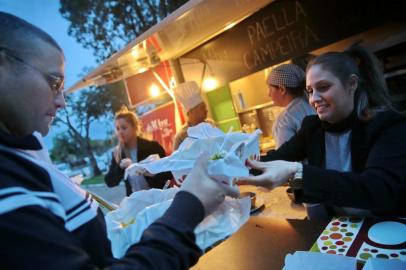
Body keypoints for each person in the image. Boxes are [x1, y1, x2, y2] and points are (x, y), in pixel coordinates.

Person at [0, 12, 239, 269]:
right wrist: (188, 206)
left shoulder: (23, 157)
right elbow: (111, 182)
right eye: (53, 82)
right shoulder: (7, 182)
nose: (61, 101)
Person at [239, 44, 406, 218]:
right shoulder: (313, 128)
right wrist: (231, 166)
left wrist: (297, 172)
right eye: (310, 91)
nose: (314, 99)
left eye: (324, 87)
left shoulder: (388, 125)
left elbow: (376, 189)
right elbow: (278, 157)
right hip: (339, 228)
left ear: (352, 84)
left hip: (385, 229)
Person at [104, 107, 172, 195]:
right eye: (117, 129)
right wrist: (120, 168)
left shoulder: (152, 147)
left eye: (124, 128)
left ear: (135, 127)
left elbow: (169, 173)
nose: (120, 132)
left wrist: (153, 173)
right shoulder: (118, 153)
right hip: (137, 201)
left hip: (159, 197)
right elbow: (110, 182)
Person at [267, 63, 315, 148]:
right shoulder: (313, 103)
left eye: (270, 89)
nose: (269, 94)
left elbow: (285, 159)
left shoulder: (284, 120)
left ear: (282, 89)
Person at [173, 81, 211, 150]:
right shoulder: (181, 136)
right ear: (192, 112)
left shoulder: (210, 125)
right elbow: (177, 160)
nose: (206, 110)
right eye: (203, 108)